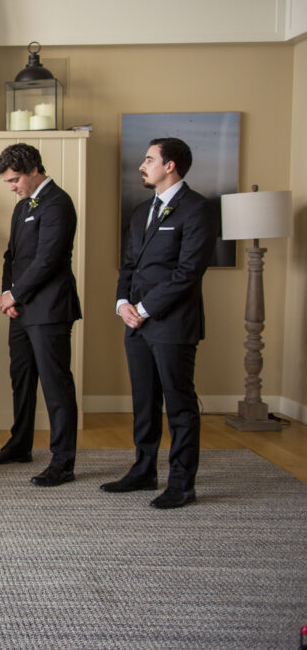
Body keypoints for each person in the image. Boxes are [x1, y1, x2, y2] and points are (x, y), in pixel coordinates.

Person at [104, 137, 217, 509]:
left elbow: (188, 273)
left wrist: (145, 308)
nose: (143, 165)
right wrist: (123, 304)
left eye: (149, 159)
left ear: (170, 166)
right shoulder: (141, 211)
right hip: (135, 323)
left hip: (172, 324)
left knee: (180, 405)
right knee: (144, 402)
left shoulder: (197, 209)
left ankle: (182, 483)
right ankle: (143, 470)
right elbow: (130, 265)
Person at [0, 144, 82, 487]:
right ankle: (20, 444)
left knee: (56, 385)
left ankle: (63, 461)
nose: (12, 187)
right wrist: (6, 295)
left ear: (33, 170)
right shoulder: (23, 206)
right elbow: (11, 257)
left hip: (51, 308)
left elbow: (48, 260)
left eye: (14, 180)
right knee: (21, 378)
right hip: (21, 309)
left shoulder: (59, 202)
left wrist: (16, 293)